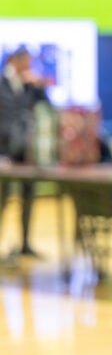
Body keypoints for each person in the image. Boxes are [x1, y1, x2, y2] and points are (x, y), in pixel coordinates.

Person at [0, 47, 49, 258]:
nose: (29, 67)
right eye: (26, 62)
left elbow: (46, 106)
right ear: (16, 61)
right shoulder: (2, 83)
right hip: (4, 151)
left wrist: (38, 87)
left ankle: (25, 243)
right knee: (3, 198)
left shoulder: (29, 85)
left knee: (28, 195)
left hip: (26, 151)